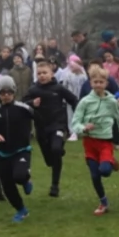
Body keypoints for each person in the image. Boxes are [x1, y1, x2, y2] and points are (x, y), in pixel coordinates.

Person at [71, 66, 119, 216]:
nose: (98, 85)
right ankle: (103, 202)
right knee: (95, 175)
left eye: (101, 82)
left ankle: (110, 161)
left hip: (105, 142)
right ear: (91, 83)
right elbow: (75, 122)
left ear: (106, 84)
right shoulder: (85, 102)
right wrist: (83, 128)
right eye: (95, 82)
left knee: (105, 171)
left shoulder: (112, 101)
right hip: (89, 143)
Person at [24, 61, 80, 197]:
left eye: (45, 73)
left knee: (55, 150)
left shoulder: (58, 88)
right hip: (41, 128)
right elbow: (22, 103)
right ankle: (58, 151)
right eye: (39, 73)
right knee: (50, 161)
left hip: (57, 125)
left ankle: (55, 185)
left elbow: (74, 100)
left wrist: (79, 117)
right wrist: (32, 103)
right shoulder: (33, 90)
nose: (42, 76)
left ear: (52, 74)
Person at [0, 75, 35, 223]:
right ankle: (21, 210)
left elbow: (39, 117)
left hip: (22, 150)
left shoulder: (24, 108)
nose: (6, 96)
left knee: (19, 176)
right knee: (7, 186)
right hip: (3, 154)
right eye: (2, 93)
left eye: (9, 92)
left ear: (14, 92)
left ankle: (26, 180)